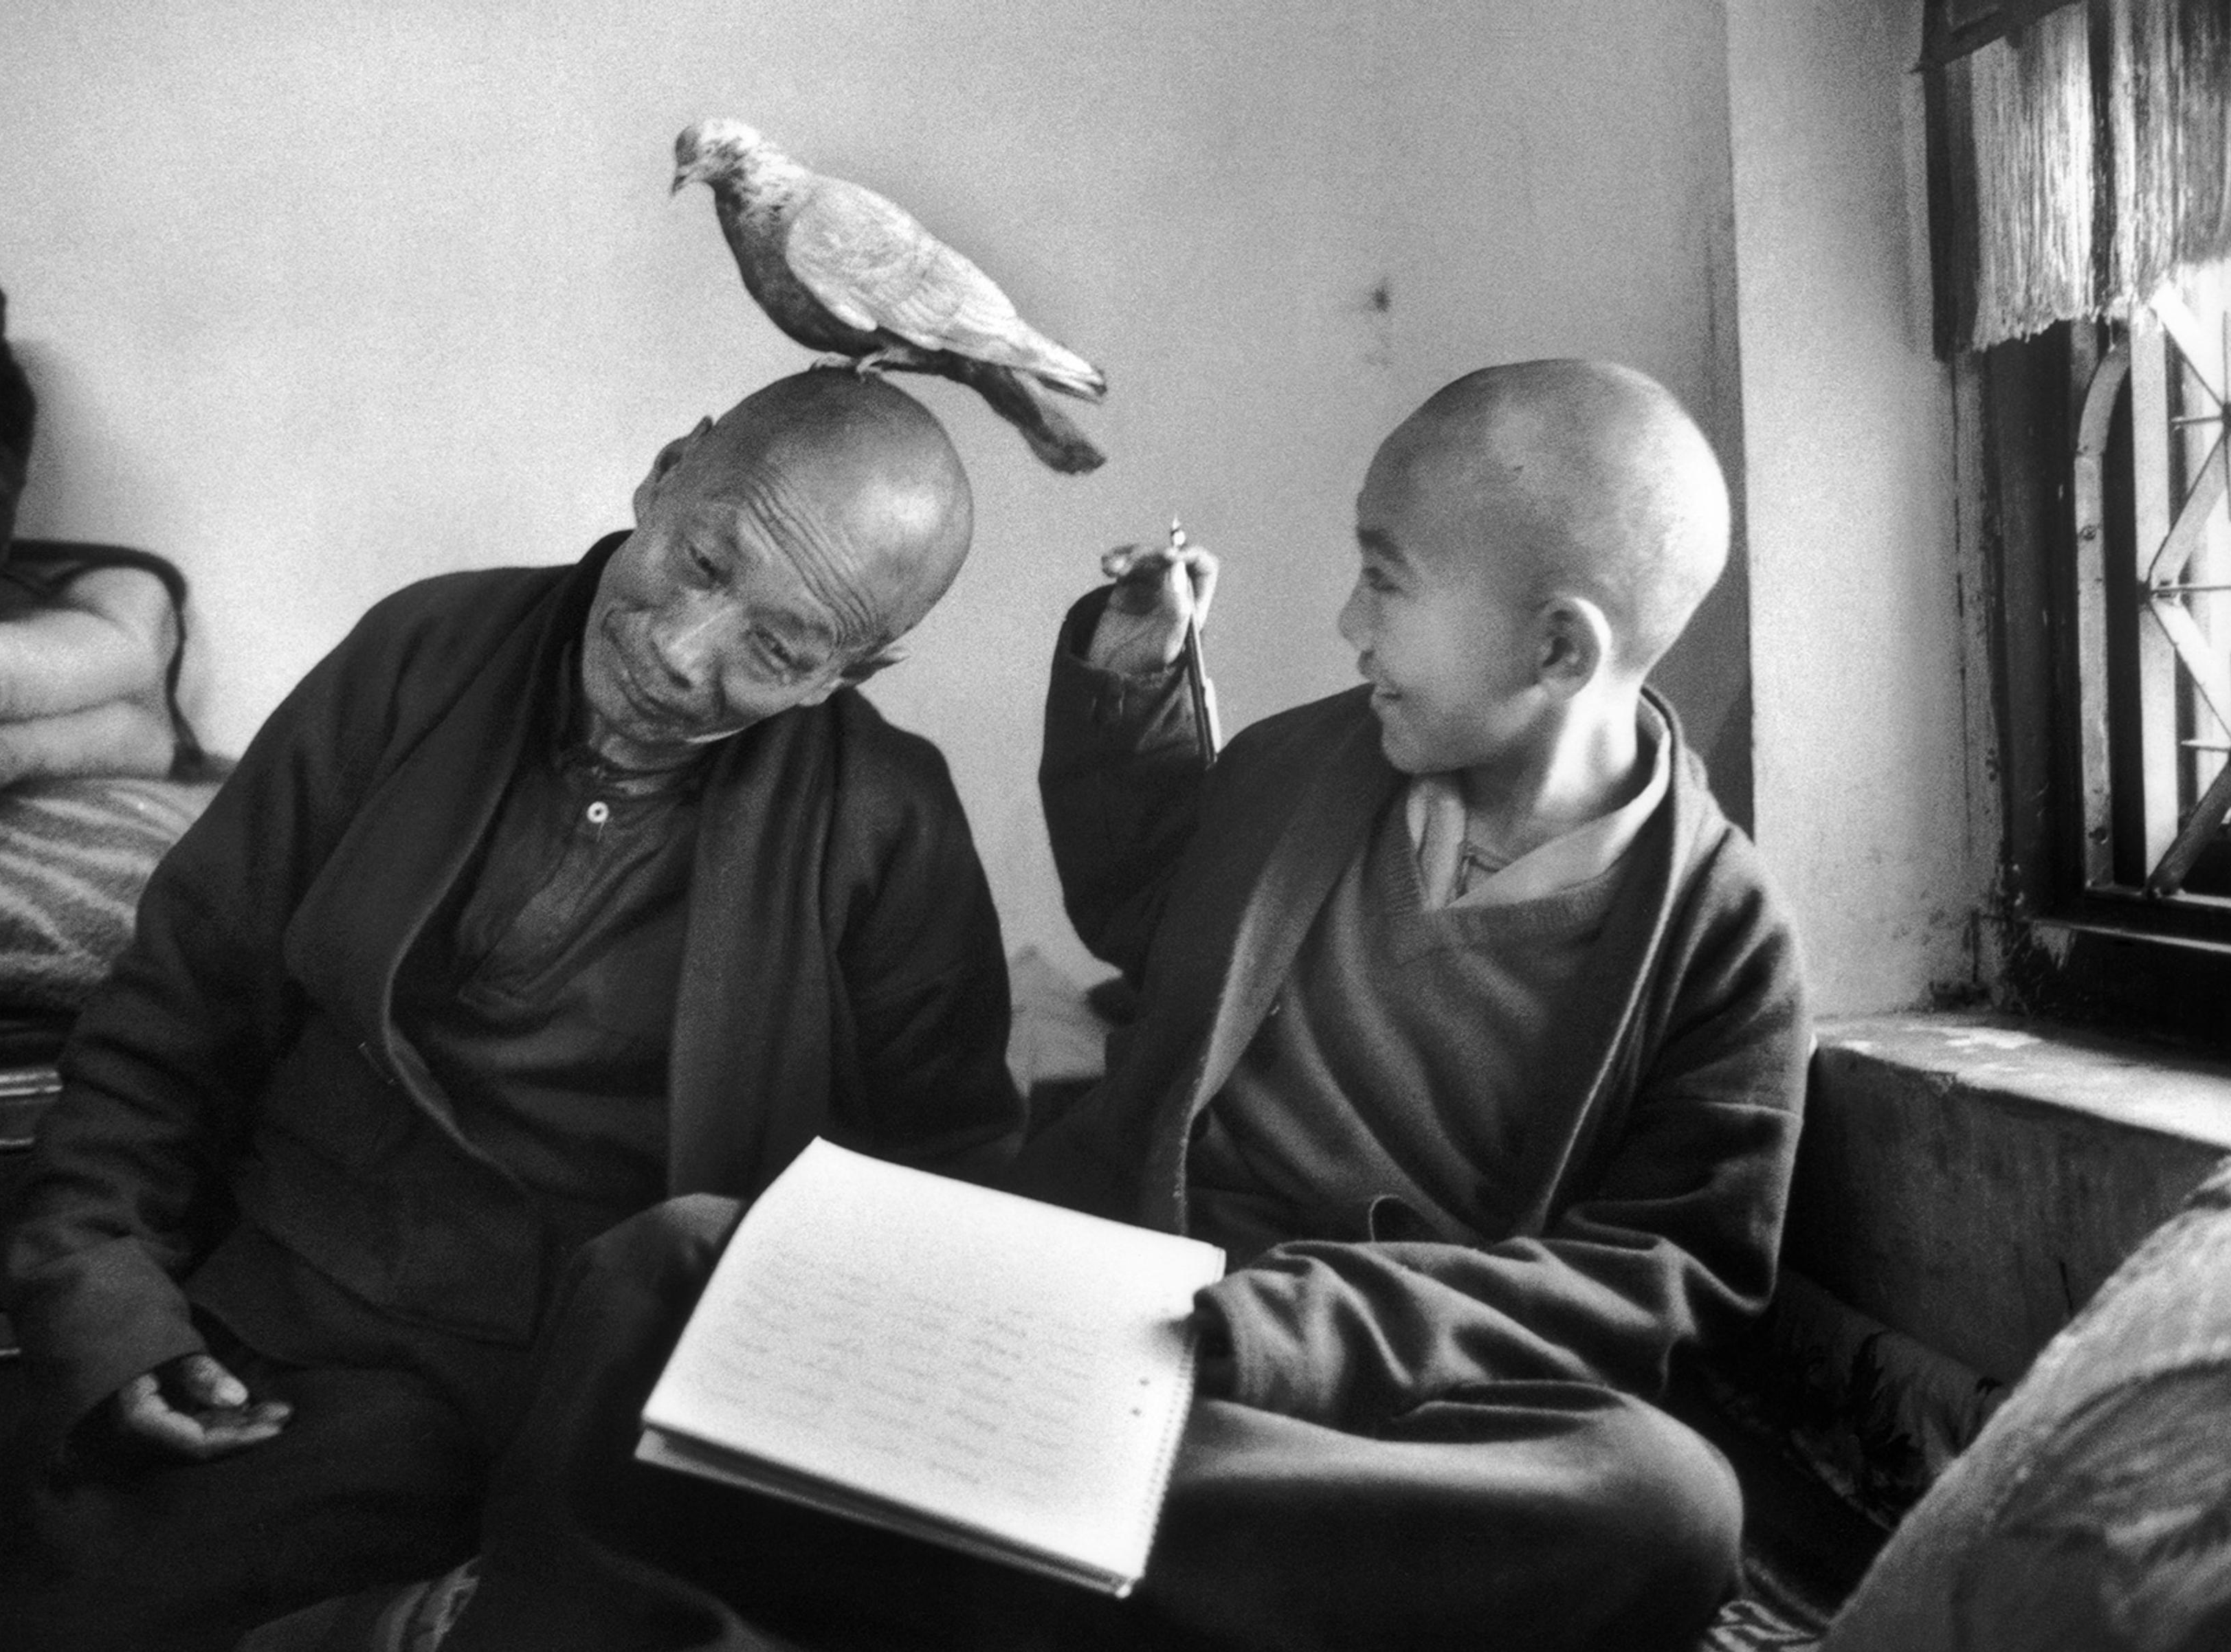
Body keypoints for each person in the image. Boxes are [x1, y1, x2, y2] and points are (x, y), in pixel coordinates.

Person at [447, 359, 1809, 1652]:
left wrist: (1296, 1327)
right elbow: (1153, 906)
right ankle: (1025, 1562)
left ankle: (906, 1548)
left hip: (1335, 1410)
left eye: (1385, 584)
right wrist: (1134, 675)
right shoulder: (1302, 766)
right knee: (667, 1265)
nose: (1347, 624)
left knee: (1664, 1500)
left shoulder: (1719, 928)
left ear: (1559, 649)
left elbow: (1662, 1278)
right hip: (1089, 1307)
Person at [0, 368, 1023, 1651]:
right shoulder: (420, 658)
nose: (682, 651)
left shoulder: (886, 817)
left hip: (648, 1407)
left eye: (776, 650)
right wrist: (107, 1302)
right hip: (309, 1352)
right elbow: (178, 1007)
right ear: (668, 470)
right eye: (701, 561)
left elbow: (945, 1186)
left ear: (851, 672)